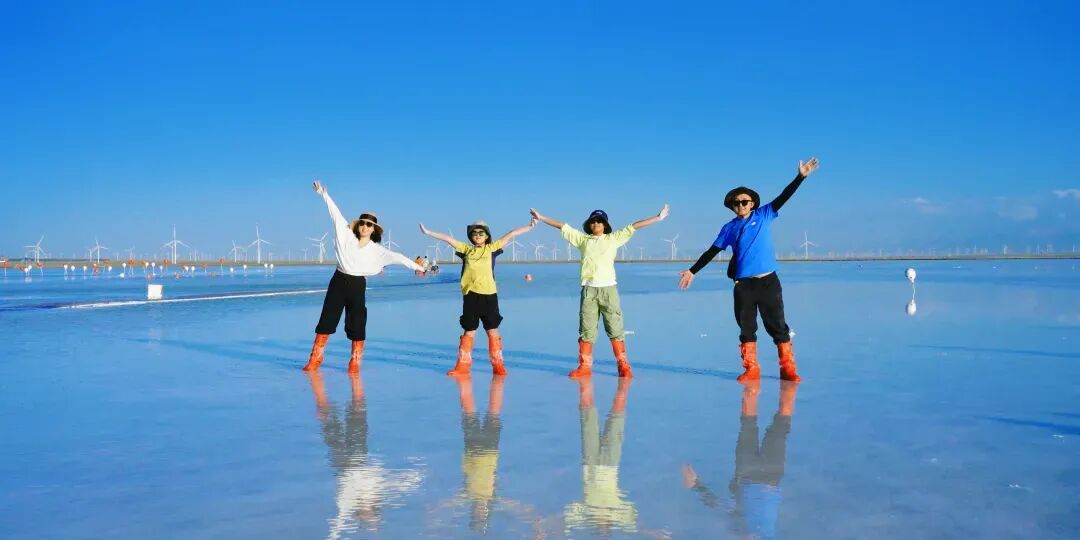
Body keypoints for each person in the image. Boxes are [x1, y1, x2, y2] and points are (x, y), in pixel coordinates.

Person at [678, 158, 819, 382]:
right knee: (746, 327)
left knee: (777, 325)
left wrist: (800, 177)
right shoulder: (729, 227)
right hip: (743, 286)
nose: (741, 205)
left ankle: (787, 368)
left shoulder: (764, 215)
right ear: (732, 206)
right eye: (736, 203)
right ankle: (751, 368)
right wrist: (692, 271)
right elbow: (712, 251)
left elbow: (784, 196)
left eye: (745, 201)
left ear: (752, 203)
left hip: (768, 282)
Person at [530, 205, 669, 378]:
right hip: (589, 291)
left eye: (599, 221)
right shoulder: (582, 240)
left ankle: (623, 365)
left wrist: (658, 217)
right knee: (586, 330)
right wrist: (541, 217)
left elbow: (634, 226)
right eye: (593, 221)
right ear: (589, 225)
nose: (596, 223)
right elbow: (562, 226)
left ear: (605, 225)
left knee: (615, 328)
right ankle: (584, 366)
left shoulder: (613, 238)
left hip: (609, 290)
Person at [303, 180, 424, 372]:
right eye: (363, 223)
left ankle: (355, 362)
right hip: (339, 281)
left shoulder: (377, 250)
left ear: (374, 229)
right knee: (327, 319)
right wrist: (323, 194)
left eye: (369, 225)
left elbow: (399, 257)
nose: (365, 227)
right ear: (358, 225)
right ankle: (315, 359)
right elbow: (335, 213)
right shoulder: (345, 234)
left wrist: (418, 267)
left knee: (357, 323)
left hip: (357, 284)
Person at [682, 381, 798, 539]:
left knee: (780, 426)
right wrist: (696, 485)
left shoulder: (750, 532)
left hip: (771, 477)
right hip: (748, 473)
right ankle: (753, 383)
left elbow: (721, 507)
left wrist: (696, 486)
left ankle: (786, 379)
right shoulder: (738, 529)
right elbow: (719, 506)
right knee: (749, 426)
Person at [420, 218, 536, 376]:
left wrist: (529, 226)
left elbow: (511, 234)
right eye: (474, 233)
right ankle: (462, 366)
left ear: (487, 235)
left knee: (492, 331)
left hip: (489, 296)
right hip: (471, 296)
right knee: (469, 331)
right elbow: (448, 239)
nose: (478, 235)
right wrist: (428, 232)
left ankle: (498, 365)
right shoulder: (466, 249)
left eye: (481, 233)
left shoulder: (492, 248)